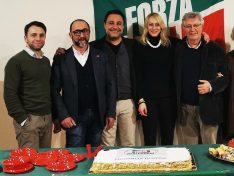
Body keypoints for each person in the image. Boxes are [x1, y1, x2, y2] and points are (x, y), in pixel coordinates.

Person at [51, 19, 116, 147]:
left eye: (85, 31)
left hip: (98, 117)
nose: (81, 35)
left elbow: (110, 86)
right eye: (77, 32)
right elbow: (54, 90)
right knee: (75, 158)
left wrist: (110, 113)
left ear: (89, 32)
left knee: (95, 157)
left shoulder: (101, 56)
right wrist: (63, 115)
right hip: (73, 118)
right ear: (70, 35)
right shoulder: (62, 58)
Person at [175, 12, 228, 144]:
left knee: (210, 150)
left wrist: (211, 85)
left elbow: (227, 77)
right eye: (188, 26)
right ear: (183, 27)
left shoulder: (215, 49)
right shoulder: (177, 48)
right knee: (189, 151)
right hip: (185, 109)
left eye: (196, 25)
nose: (192, 29)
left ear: (202, 26)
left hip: (209, 107)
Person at [90, 10, 137, 146]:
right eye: (111, 23)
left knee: (129, 144)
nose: (115, 26)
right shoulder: (93, 47)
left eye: (119, 23)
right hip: (104, 103)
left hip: (128, 102)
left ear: (122, 27)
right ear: (105, 25)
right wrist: (61, 52)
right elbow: (75, 52)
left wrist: (203, 37)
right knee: (107, 145)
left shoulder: (133, 45)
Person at [4, 21, 52, 149]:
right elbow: (9, 94)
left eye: (41, 35)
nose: (38, 38)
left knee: (45, 161)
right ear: (26, 38)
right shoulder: (16, 61)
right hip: (29, 120)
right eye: (33, 35)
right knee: (30, 164)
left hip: (47, 119)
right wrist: (24, 120)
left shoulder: (46, 61)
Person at [134, 13, 178, 146]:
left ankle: (168, 165)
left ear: (161, 26)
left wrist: (204, 36)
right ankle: (151, 166)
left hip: (168, 99)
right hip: (148, 100)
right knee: (149, 138)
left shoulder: (171, 43)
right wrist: (140, 100)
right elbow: (137, 75)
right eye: (151, 24)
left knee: (168, 137)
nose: (154, 28)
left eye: (157, 24)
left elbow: (191, 42)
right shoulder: (138, 45)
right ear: (146, 26)